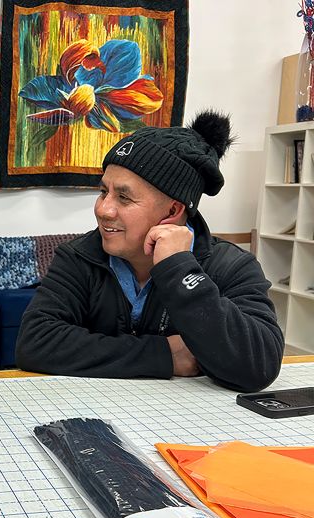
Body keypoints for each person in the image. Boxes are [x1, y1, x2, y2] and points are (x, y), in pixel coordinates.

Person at [15, 110, 283, 392]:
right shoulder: (79, 256)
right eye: (103, 192)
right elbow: (34, 342)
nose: (103, 209)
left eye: (124, 197)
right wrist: (164, 355)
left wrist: (180, 270)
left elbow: (259, 366)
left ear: (173, 211)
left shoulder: (230, 265)